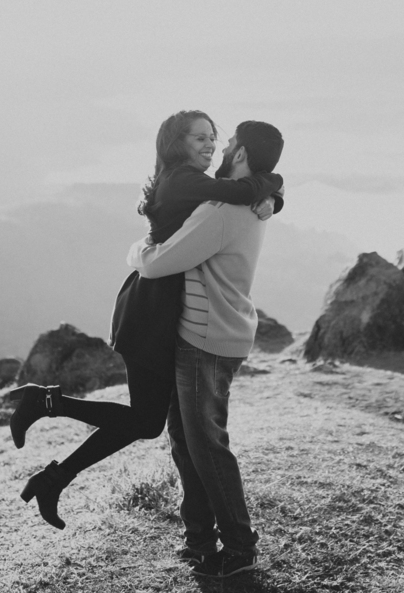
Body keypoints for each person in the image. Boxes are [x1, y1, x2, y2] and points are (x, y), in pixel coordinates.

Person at [8, 110, 283, 530]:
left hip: (160, 309)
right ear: (177, 143)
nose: (213, 145)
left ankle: (54, 470)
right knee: (147, 422)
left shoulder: (197, 184)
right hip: (149, 311)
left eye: (215, 137)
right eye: (200, 138)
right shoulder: (186, 182)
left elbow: (245, 188)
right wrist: (273, 187)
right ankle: (46, 408)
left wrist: (273, 194)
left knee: (148, 422)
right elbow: (245, 187)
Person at [127, 120, 284, 579]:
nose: (221, 145)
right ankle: (198, 540)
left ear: (241, 155)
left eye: (228, 140)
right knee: (187, 442)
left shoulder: (222, 210)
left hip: (206, 340)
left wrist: (136, 250)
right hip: (208, 333)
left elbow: (157, 263)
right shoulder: (245, 202)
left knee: (207, 447)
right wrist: (273, 191)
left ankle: (239, 547)